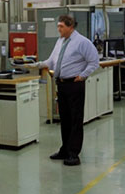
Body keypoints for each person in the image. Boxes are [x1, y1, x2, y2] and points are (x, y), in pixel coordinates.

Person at [37, 14, 99, 166]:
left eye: (61, 26)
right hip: (62, 84)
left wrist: (83, 76)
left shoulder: (82, 42)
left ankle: (74, 154)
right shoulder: (60, 41)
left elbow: (94, 61)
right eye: (58, 26)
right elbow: (51, 61)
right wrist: (34, 64)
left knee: (75, 119)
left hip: (74, 84)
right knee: (65, 119)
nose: (58, 29)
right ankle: (65, 150)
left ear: (70, 26)